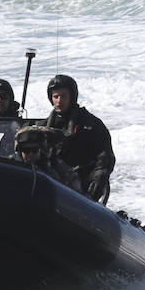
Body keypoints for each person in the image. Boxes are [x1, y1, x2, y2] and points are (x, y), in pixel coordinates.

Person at [41, 74, 115, 203]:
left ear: (72, 97)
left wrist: (100, 174)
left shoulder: (90, 124)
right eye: (55, 96)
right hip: (52, 182)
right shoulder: (42, 127)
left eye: (63, 96)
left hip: (82, 183)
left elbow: (105, 154)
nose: (59, 101)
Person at [13, 125, 82, 192]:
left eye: (34, 150)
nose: (30, 154)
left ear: (41, 150)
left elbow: (75, 189)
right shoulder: (14, 166)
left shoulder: (55, 167)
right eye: (26, 150)